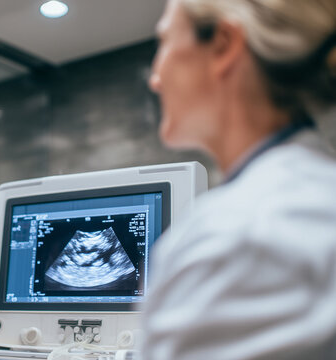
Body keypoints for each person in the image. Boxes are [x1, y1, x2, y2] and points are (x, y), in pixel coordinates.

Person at [142, 0, 336, 359]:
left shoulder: (242, 235)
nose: (155, 78)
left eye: (164, 43)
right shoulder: (308, 193)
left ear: (223, 45)